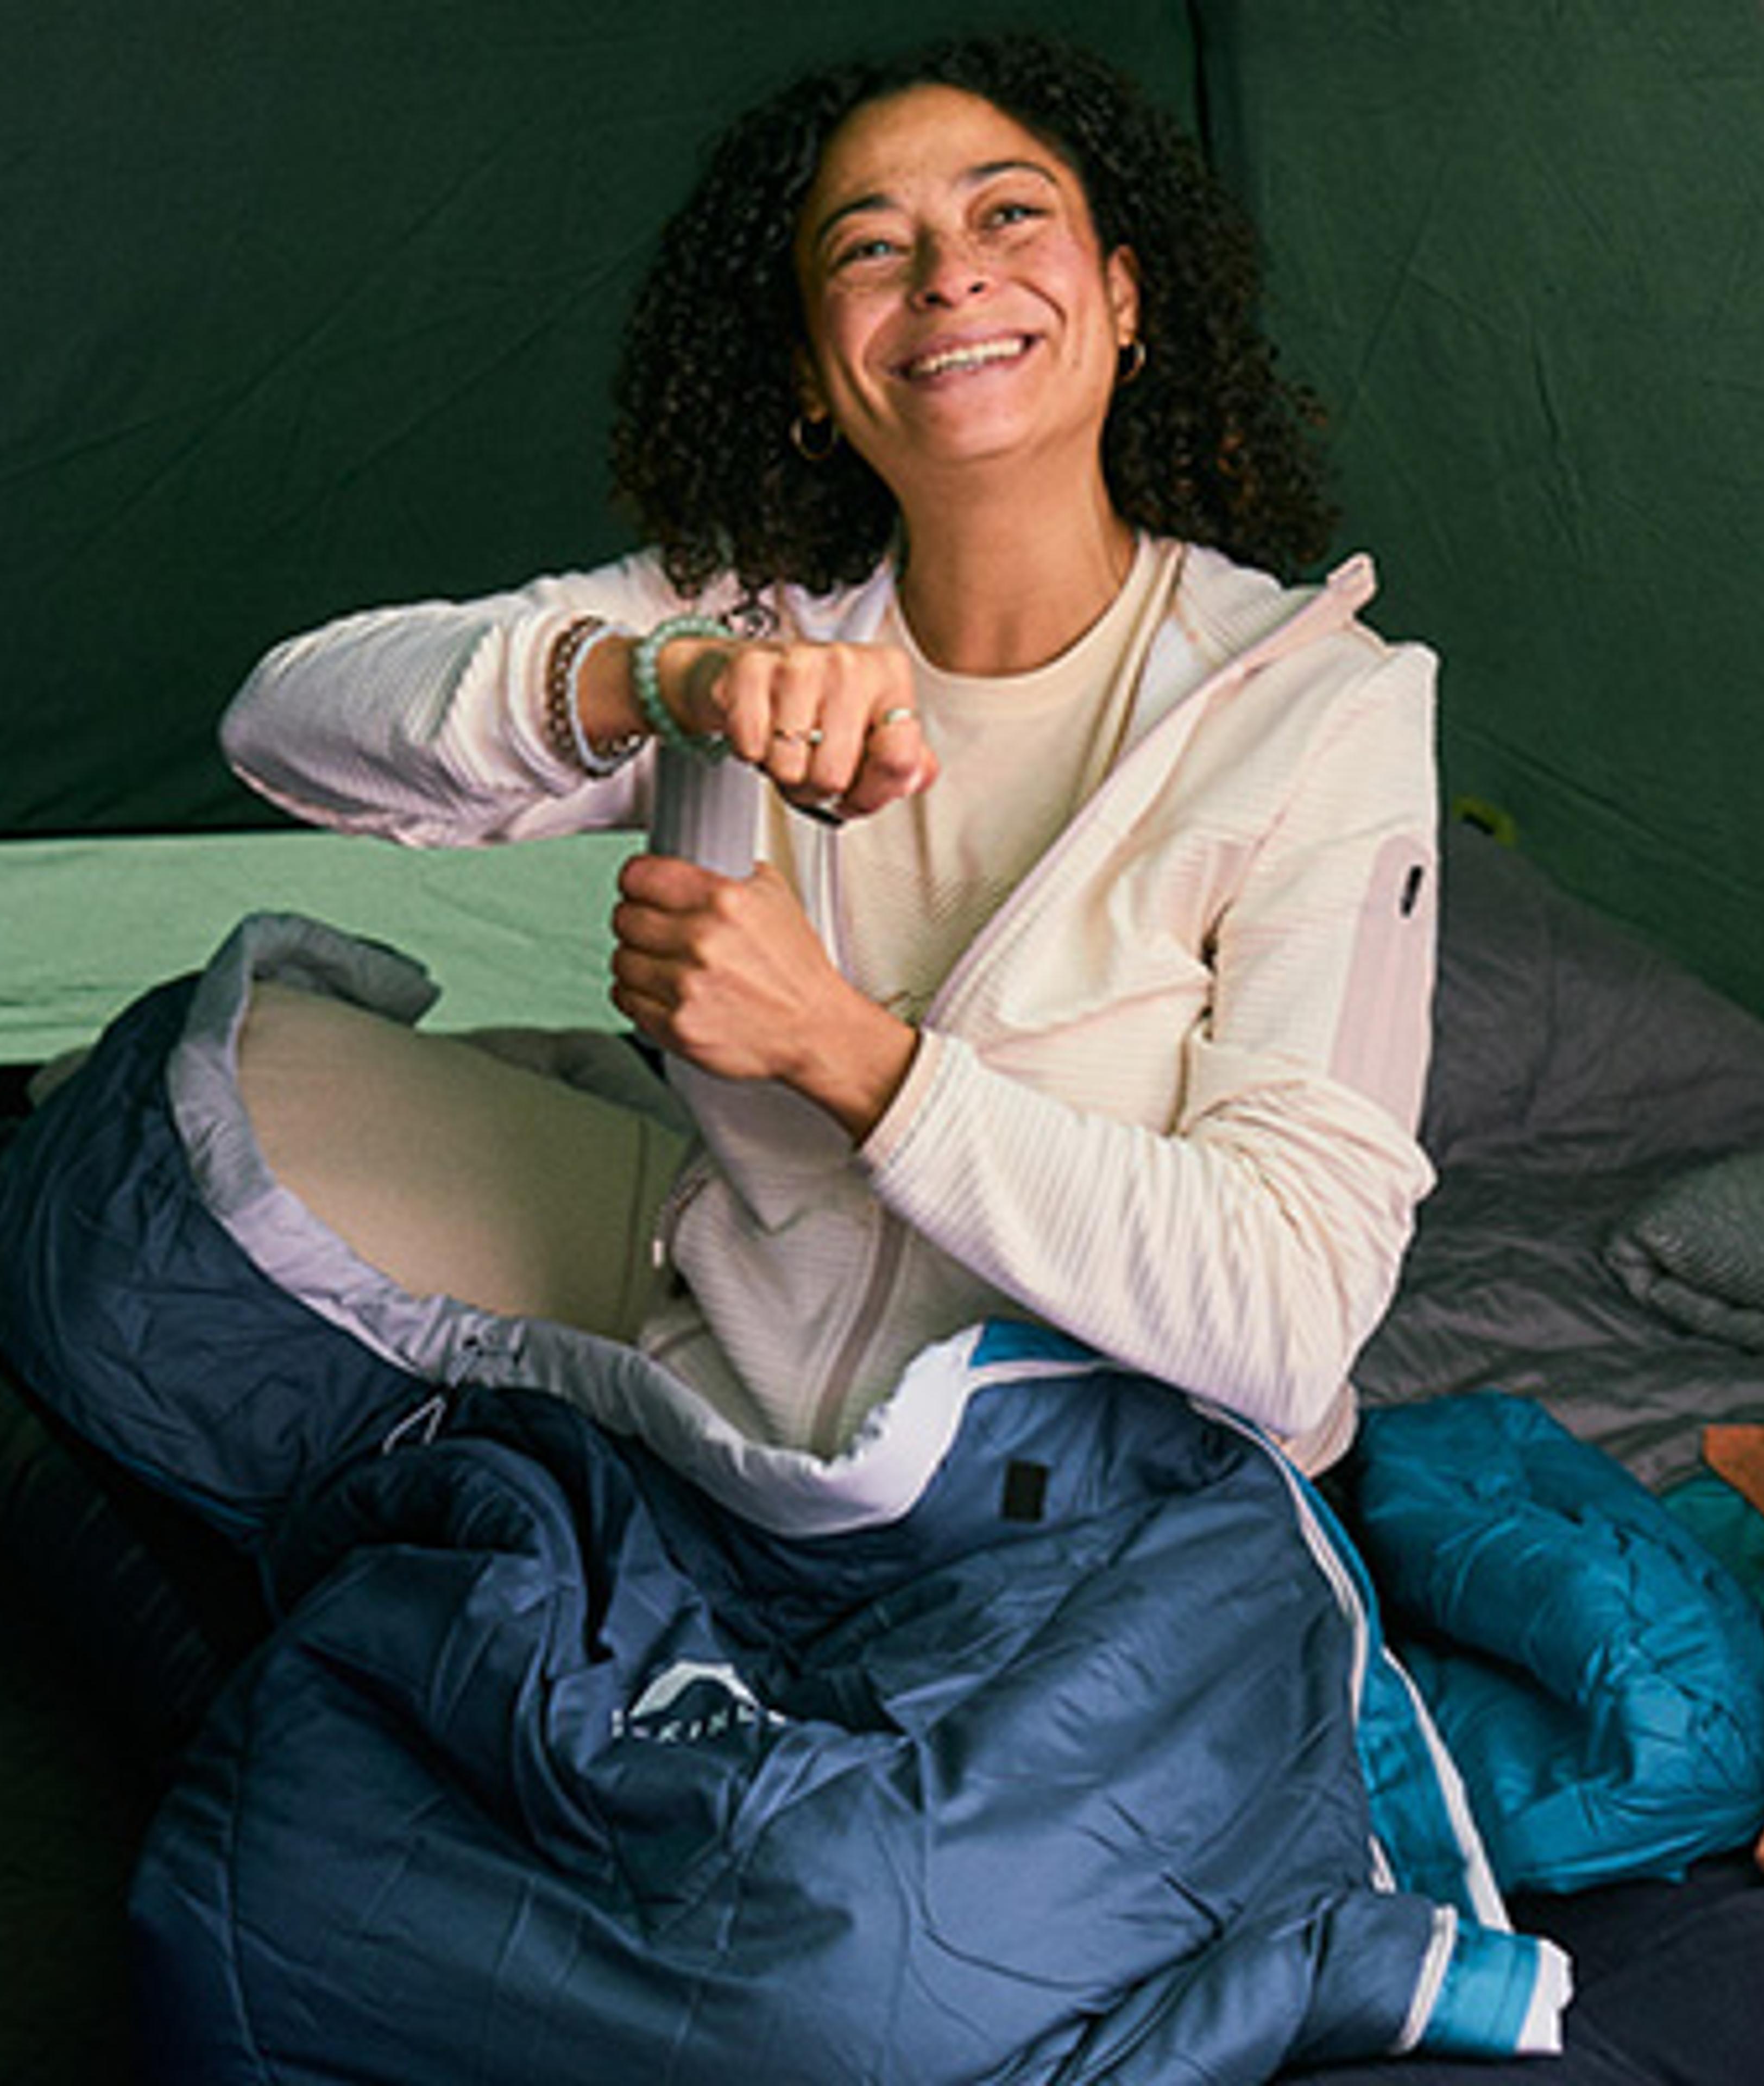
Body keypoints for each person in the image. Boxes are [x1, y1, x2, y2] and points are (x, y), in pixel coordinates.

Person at [218, 33, 1439, 1479]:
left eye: (1008, 214)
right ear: (812, 373)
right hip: (743, 1380)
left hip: (1098, 1492)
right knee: (192, 1075)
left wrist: (845, 1055)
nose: (948, 276)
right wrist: (659, 681)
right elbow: (284, 728)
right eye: (872, 247)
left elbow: (1289, 1316)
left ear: (1123, 300)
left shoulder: (1314, 706)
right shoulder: (745, 626)